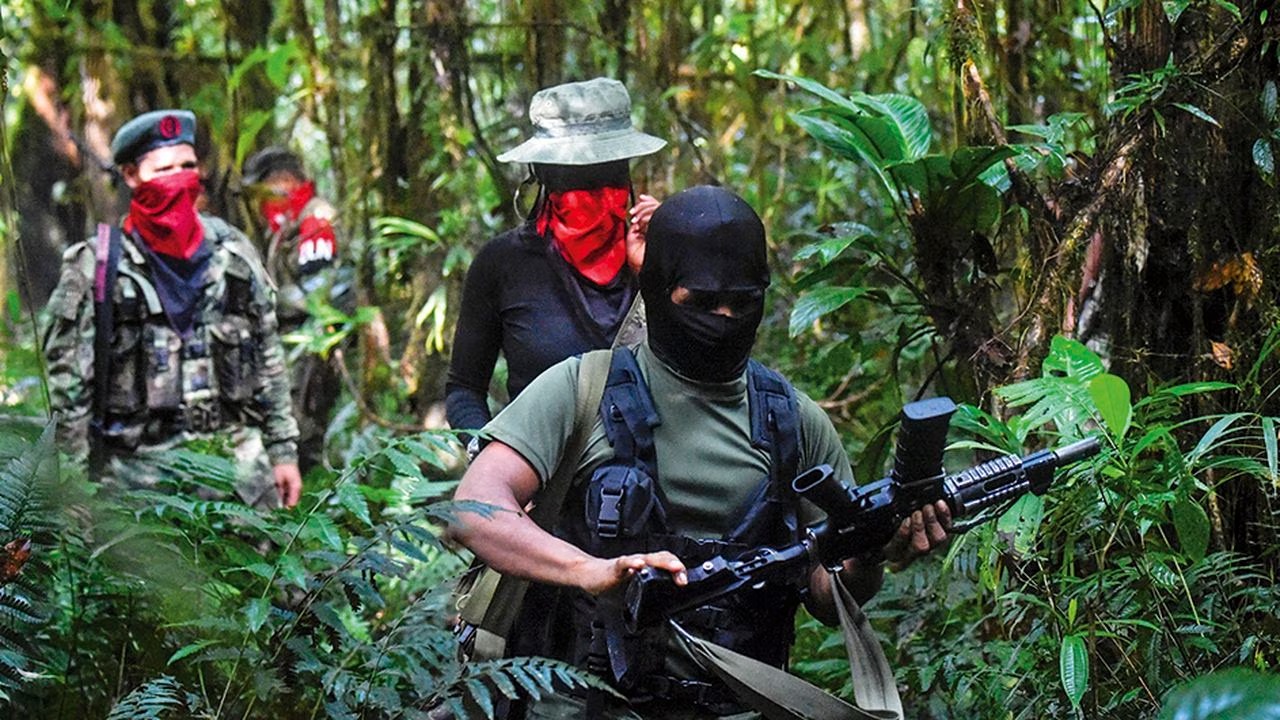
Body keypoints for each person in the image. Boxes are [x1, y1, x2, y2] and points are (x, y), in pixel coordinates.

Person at [448, 186, 951, 718]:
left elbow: (828, 597)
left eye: (744, 302)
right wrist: (587, 569)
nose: (726, 317)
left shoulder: (794, 422)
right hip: (585, 704)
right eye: (702, 302)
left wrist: (872, 549)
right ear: (655, 288)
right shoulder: (582, 390)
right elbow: (474, 509)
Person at [43, 109, 302, 509]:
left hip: (241, 481)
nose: (180, 180)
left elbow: (269, 359)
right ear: (131, 176)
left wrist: (283, 451)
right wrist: (76, 495)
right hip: (138, 488)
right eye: (164, 170)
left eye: (188, 167)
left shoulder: (233, 253)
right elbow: (70, 393)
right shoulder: (97, 268)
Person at [445, 77, 664, 436]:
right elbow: (464, 390)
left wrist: (658, 269)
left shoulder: (660, 253)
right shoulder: (502, 265)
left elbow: (703, 372)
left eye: (606, 171)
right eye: (573, 175)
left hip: (653, 480)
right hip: (542, 484)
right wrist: (492, 460)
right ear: (542, 173)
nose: (592, 192)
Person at [241, 146, 346, 474]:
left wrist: (262, 304)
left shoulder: (315, 217)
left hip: (316, 344)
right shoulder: (287, 225)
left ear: (285, 183)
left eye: (265, 193)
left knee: (306, 430)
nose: (259, 205)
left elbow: (321, 291)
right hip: (295, 343)